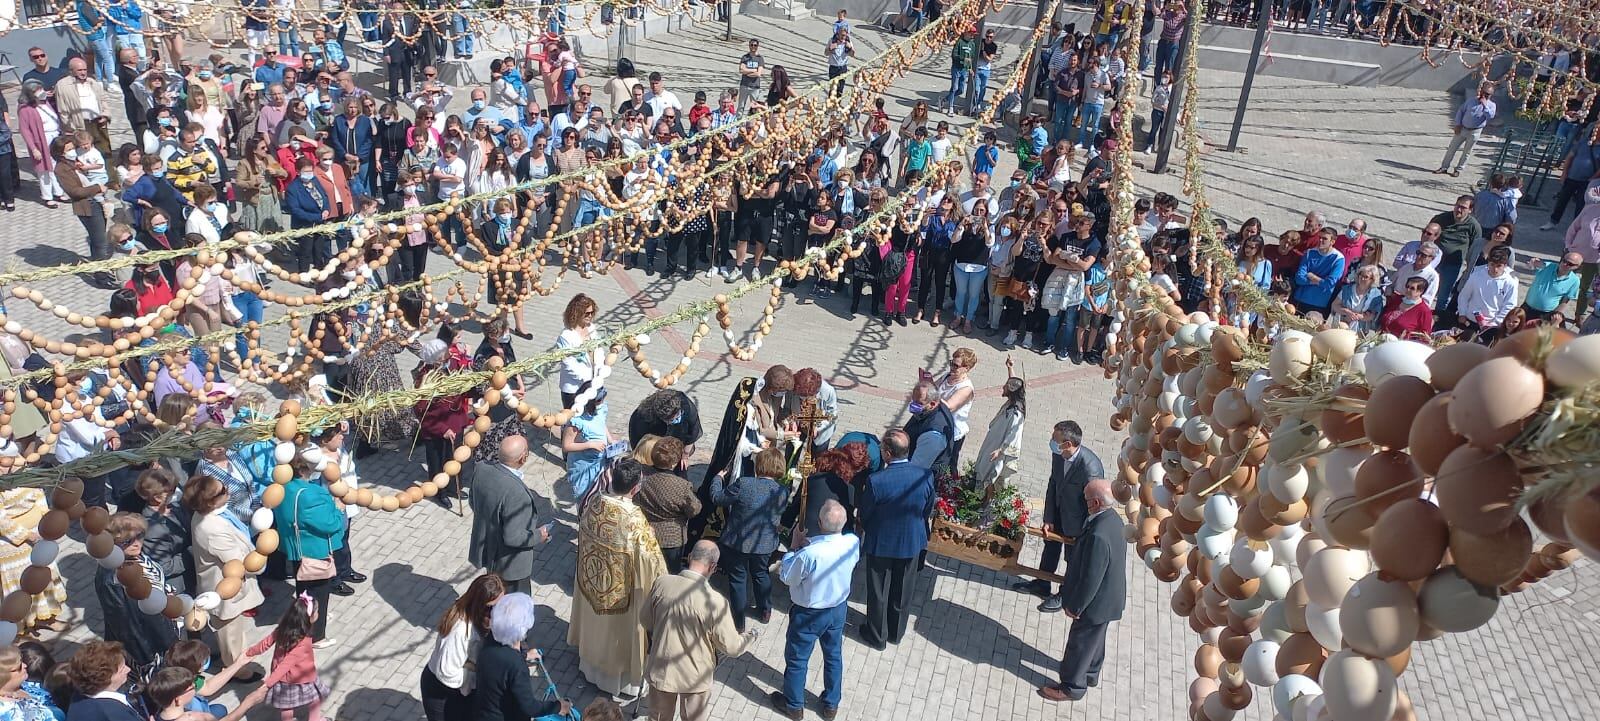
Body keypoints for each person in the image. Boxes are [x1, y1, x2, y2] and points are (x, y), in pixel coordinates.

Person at [570, 459, 667, 701]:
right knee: (618, 636)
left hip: (593, 582)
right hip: (621, 594)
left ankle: (589, 667)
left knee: (595, 626)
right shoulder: (635, 520)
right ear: (636, 488)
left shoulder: (594, 502)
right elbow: (652, 562)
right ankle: (621, 684)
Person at [641, 541, 758, 721]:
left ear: (689, 557)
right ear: (713, 567)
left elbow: (645, 619)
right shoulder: (715, 602)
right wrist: (749, 638)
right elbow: (732, 647)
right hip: (695, 677)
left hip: (662, 669)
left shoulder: (662, 583)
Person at [1036, 479, 1127, 703]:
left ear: (1096, 502)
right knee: (1096, 639)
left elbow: (1090, 578)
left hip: (1095, 602)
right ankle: (1091, 673)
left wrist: (1075, 606)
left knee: (1080, 643)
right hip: (1110, 599)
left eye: (1085, 499)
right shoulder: (1113, 519)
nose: (1083, 502)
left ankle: (1071, 687)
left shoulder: (1098, 536)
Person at [770, 500, 858, 721]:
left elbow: (787, 577)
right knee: (833, 655)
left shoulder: (810, 554)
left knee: (798, 658)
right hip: (837, 609)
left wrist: (793, 548)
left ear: (819, 522)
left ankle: (794, 705)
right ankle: (831, 704)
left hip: (808, 613)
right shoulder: (853, 542)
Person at [857, 430, 935, 650]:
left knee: (878, 590)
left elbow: (866, 513)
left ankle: (876, 634)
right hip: (912, 541)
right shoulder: (925, 475)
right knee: (903, 590)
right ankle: (895, 632)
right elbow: (927, 509)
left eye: (882, 449)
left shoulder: (876, 480)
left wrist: (870, 529)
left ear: (888, 453)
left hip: (881, 542)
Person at [1021, 421, 1107, 612]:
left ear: (1068, 444)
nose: (1051, 442)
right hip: (1059, 513)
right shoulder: (1058, 454)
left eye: (1055, 439)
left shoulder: (1090, 469)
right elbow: (1053, 483)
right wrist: (1049, 517)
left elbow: (1094, 505)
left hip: (1078, 523)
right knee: (1050, 548)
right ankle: (1042, 583)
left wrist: (1084, 532)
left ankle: (1064, 594)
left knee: (1072, 560)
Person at [185, 473, 265, 671]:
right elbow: (237, 562)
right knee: (230, 634)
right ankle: (236, 671)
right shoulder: (212, 529)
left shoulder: (213, 515)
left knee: (235, 631)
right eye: (222, 491)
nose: (227, 490)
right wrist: (260, 556)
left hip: (228, 585)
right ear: (211, 502)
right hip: (225, 588)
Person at [711, 448, 788, 632]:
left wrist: (717, 479)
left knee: (738, 579)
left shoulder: (744, 484)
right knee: (761, 574)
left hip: (737, 542)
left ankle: (739, 622)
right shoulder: (782, 491)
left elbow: (717, 498)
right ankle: (765, 610)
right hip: (765, 543)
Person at [274, 454, 346, 649]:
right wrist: (339, 510)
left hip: (296, 549)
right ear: (305, 470)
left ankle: (309, 617)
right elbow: (329, 524)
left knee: (303, 589)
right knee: (320, 591)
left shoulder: (281, 488)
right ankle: (317, 635)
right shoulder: (311, 494)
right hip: (314, 551)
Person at [92, 513, 180, 669]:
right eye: (127, 541)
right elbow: (129, 627)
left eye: (140, 536)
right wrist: (157, 656)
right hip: (150, 646)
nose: (136, 543)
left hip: (163, 626)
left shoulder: (133, 557)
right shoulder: (115, 580)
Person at [468, 436, 553, 596]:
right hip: (510, 566)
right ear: (524, 457)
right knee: (514, 608)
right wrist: (538, 536)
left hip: (488, 550)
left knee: (493, 596)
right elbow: (513, 537)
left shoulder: (481, 469)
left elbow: (473, 502)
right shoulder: (517, 493)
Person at [472, 592, 570, 721]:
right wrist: (558, 706)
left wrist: (524, 655)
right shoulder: (516, 665)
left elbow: (502, 667)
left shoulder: (490, 641)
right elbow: (529, 707)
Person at [422, 573, 506, 721]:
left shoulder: (481, 617)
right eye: (492, 607)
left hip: (463, 690)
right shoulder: (459, 630)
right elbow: (447, 673)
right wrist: (476, 672)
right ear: (480, 605)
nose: (498, 611)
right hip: (443, 692)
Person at [242, 593, 332, 720]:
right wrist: (268, 684)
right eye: (316, 611)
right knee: (315, 699)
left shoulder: (282, 629)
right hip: (302, 677)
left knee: (286, 705)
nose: (318, 613)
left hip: (283, 680)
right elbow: (286, 664)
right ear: (309, 618)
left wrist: (249, 652)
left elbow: (265, 643)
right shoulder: (304, 642)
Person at [0, 486, 67, 635]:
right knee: (19, 587)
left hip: (38, 536)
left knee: (42, 577)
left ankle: (45, 617)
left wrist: (46, 523)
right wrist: (27, 535)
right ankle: (20, 633)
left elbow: (39, 495)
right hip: (10, 544)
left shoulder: (27, 473)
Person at [637, 437, 701, 574]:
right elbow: (695, 509)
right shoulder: (681, 485)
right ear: (673, 463)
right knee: (669, 574)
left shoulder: (640, 474)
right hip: (671, 538)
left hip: (644, 530)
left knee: (644, 572)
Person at [974, 357, 1025, 494]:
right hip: (993, 441)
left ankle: (987, 501)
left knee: (992, 475)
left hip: (999, 449)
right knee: (984, 468)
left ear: (1011, 391)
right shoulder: (1014, 400)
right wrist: (1010, 368)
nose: (1003, 387)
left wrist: (1001, 451)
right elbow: (1014, 382)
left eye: (1006, 387)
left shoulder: (1016, 414)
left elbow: (1014, 434)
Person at [561, 383, 614, 505]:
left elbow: (601, 423)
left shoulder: (600, 409)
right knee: (585, 498)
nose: (602, 402)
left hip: (600, 463)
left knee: (600, 495)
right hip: (584, 467)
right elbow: (566, 446)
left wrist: (610, 439)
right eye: (600, 400)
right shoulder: (577, 420)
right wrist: (590, 445)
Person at [1429, 195, 1483, 311]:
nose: (1459, 210)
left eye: (1463, 207)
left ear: (1470, 210)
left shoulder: (1474, 226)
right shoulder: (1441, 219)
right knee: (1426, 288)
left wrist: (1469, 268)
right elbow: (1428, 235)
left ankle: (1438, 316)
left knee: (1443, 294)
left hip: (1453, 265)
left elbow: (1475, 247)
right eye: (1457, 206)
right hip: (1433, 261)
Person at [63, 641, 141, 721]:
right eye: (122, 669)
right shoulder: (115, 714)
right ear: (106, 679)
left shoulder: (78, 695)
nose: (128, 669)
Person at [1455, 246, 1520, 336]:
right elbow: (1464, 295)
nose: (1495, 269)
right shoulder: (1476, 275)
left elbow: (1509, 305)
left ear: (1505, 266)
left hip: (1492, 325)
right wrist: (1462, 313)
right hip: (1470, 320)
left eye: (1499, 266)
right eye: (1492, 265)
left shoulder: (1510, 282)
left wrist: (1495, 322)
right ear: (1488, 263)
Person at [1436, 82, 1497, 178]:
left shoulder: (1491, 105)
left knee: (1467, 152)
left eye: (1488, 94)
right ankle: (1444, 167)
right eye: (1484, 92)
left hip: (1475, 131)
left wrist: (1485, 105)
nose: (1485, 95)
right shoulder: (1471, 101)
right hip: (1463, 129)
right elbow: (1461, 111)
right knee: (1452, 149)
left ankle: (1458, 169)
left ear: (1491, 95)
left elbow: (1490, 116)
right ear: (1480, 91)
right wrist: (1457, 124)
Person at [555, 294, 605, 408]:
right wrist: (586, 381)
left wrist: (600, 371)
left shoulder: (591, 328)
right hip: (574, 388)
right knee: (574, 421)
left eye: (592, 313)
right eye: (586, 313)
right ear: (576, 313)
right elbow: (568, 364)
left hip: (594, 384)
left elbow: (599, 349)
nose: (590, 316)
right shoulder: (566, 336)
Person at [627, 389, 703, 453]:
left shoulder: (686, 406)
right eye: (672, 419)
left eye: (678, 416)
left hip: (679, 432)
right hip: (653, 439)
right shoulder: (643, 419)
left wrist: (685, 454)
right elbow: (640, 446)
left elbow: (693, 431)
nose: (677, 420)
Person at [903, 380, 955, 470]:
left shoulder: (933, 436)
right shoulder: (926, 411)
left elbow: (916, 467)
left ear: (932, 404)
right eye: (913, 400)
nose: (913, 406)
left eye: (918, 403)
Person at [1524, 252, 1585, 322]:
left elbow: (1565, 301)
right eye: (1564, 261)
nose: (1565, 264)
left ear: (1577, 267)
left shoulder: (1574, 281)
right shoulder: (1548, 266)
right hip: (1526, 308)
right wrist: (1534, 261)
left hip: (1546, 315)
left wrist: (1557, 315)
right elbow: (1537, 263)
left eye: (1570, 264)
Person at [1380, 277, 1437, 341]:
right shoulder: (1397, 300)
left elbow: (1424, 338)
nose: (1408, 290)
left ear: (1420, 291)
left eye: (1412, 288)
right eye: (1407, 286)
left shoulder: (1424, 311)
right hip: (1381, 339)